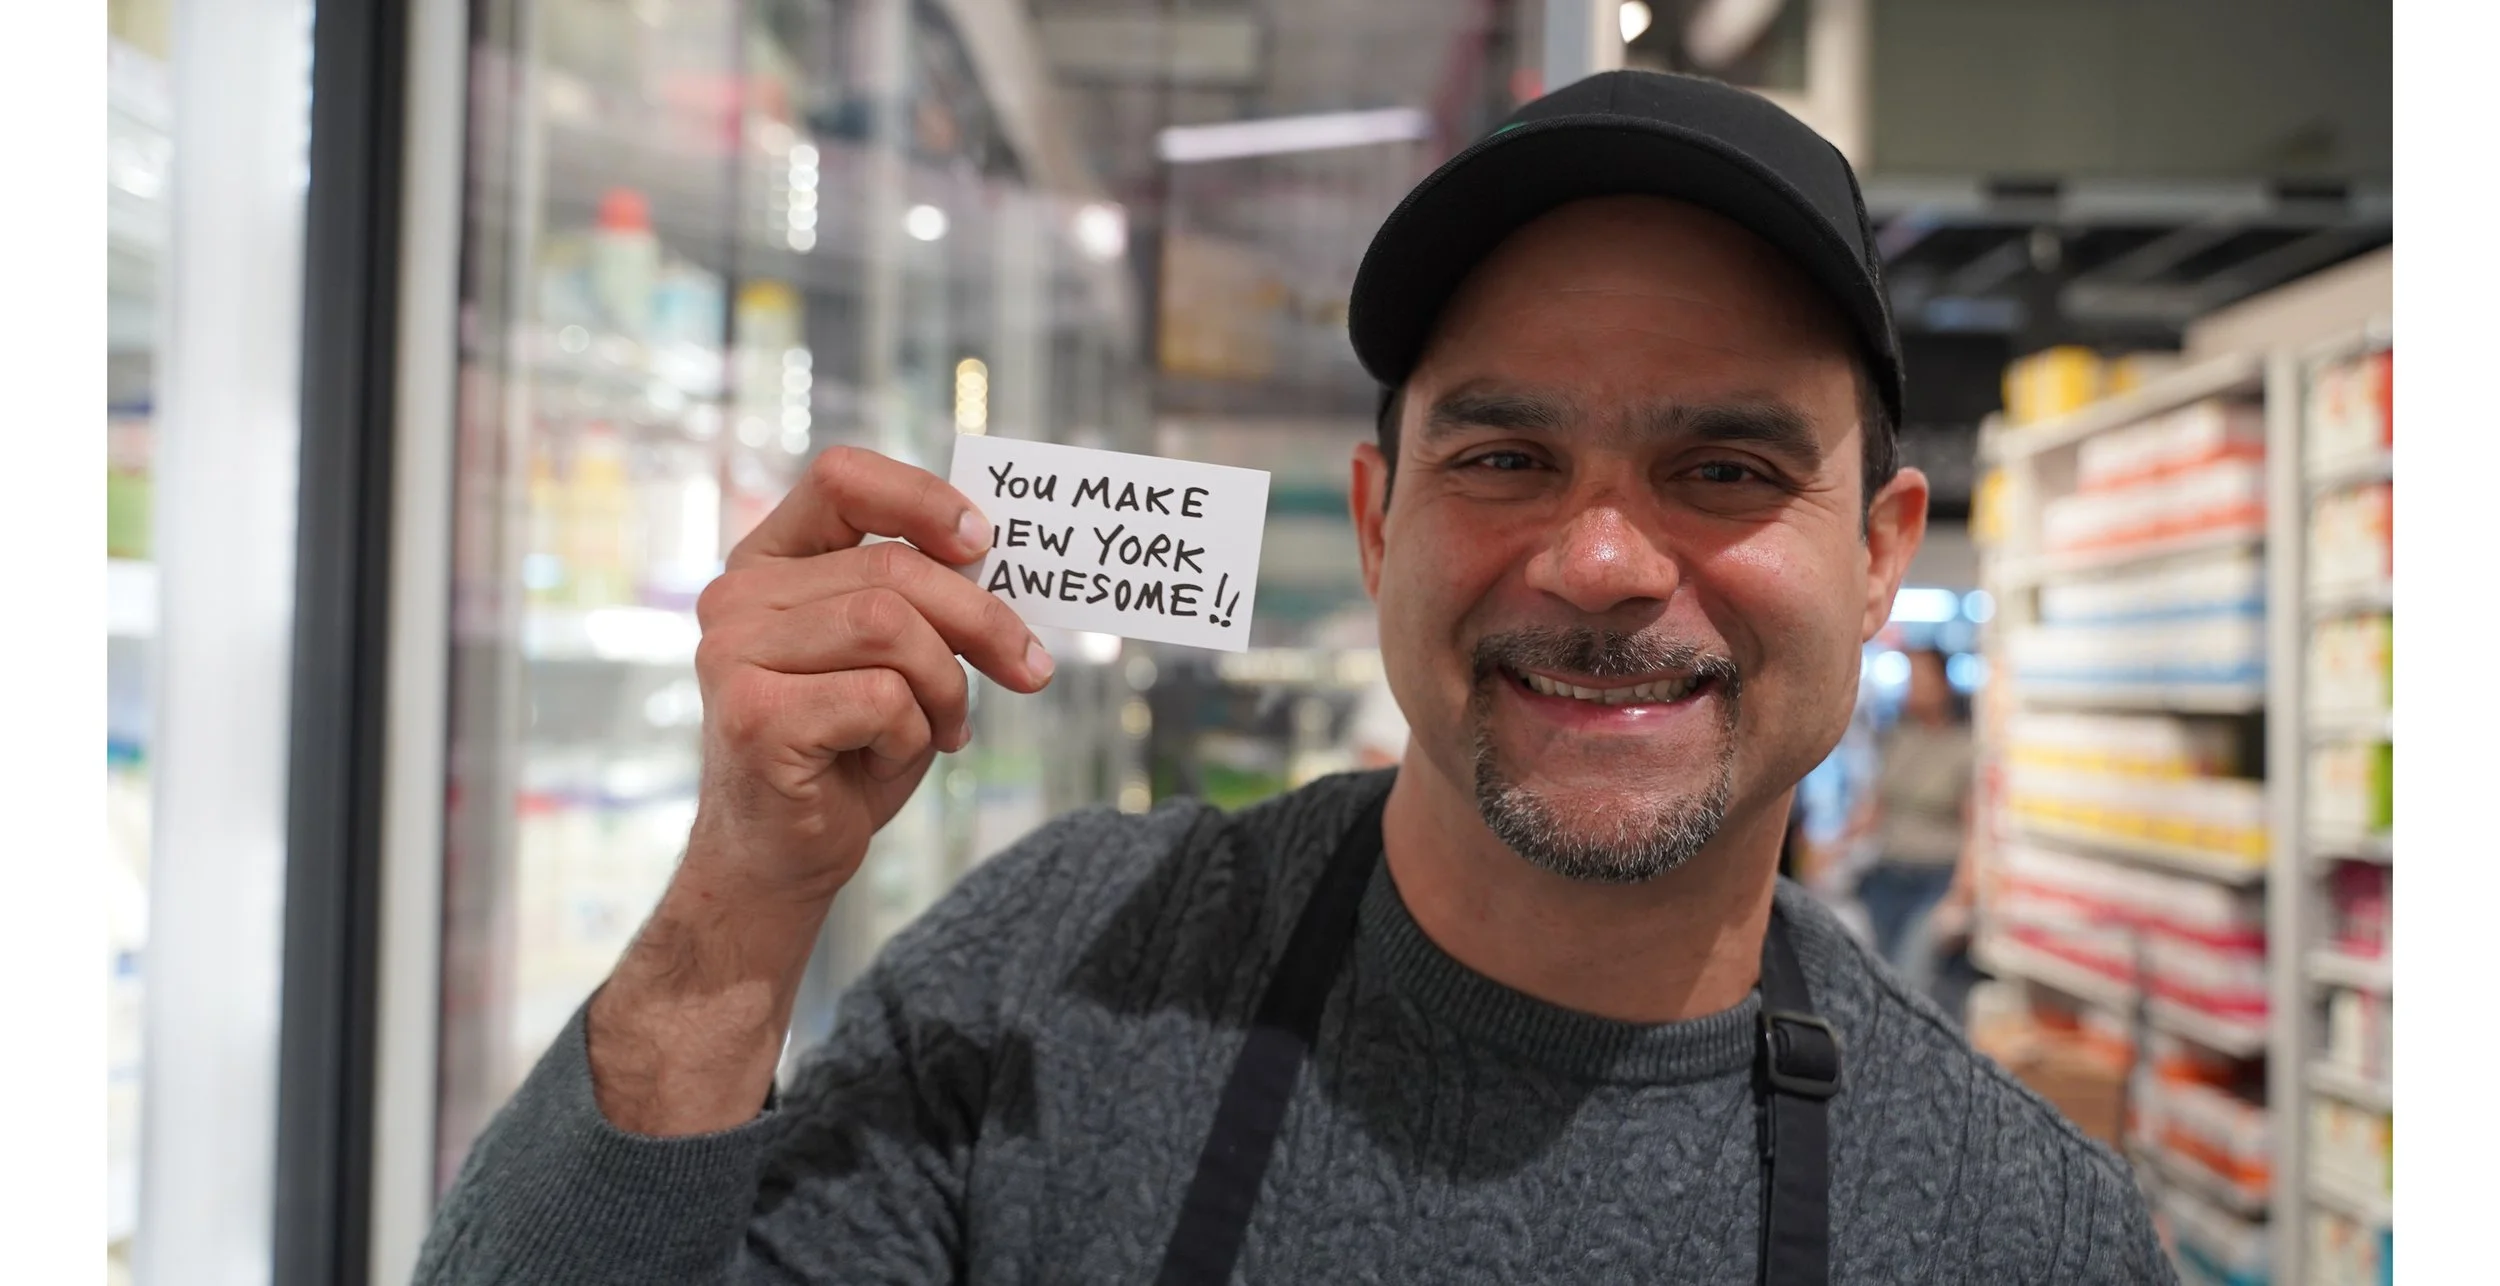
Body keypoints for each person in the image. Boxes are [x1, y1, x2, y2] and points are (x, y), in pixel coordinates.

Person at [419, 71, 2168, 1284]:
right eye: (1505, 458)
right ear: (1381, 517)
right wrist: (741, 895)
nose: (1603, 562)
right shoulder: (1053, 980)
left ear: (1878, 555)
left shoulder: (2022, 1234)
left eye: (1725, 469)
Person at [1855, 647, 1979, 977]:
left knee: (1912, 974)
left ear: (1943, 684)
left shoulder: (1963, 747)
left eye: (1923, 678)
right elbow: (1877, 804)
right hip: (1888, 875)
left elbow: (1975, 826)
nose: (1915, 687)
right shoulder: (1898, 738)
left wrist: (1963, 890)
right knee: (1880, 972)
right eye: (1911, 678)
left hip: (1936, 880)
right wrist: (1835, 849)